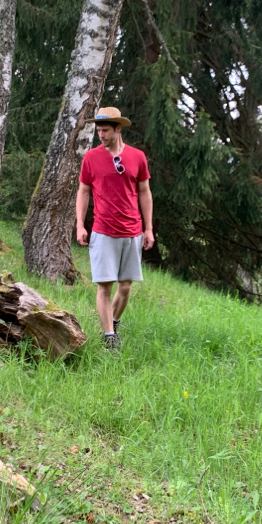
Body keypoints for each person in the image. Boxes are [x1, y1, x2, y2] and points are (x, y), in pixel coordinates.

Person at [76, 107, 154, 350]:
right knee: (104, 286)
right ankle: (109, 337)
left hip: (132, 231)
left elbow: (144, 193)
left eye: (106, 130)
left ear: (118, 129)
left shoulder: (137, 157)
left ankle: (114, 324)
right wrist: (80, 224)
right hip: (103, 231)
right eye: (99, 130)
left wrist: (148, 228)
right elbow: (83, 192)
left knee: (126, 287)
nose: (101, 135)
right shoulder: (91, 158)